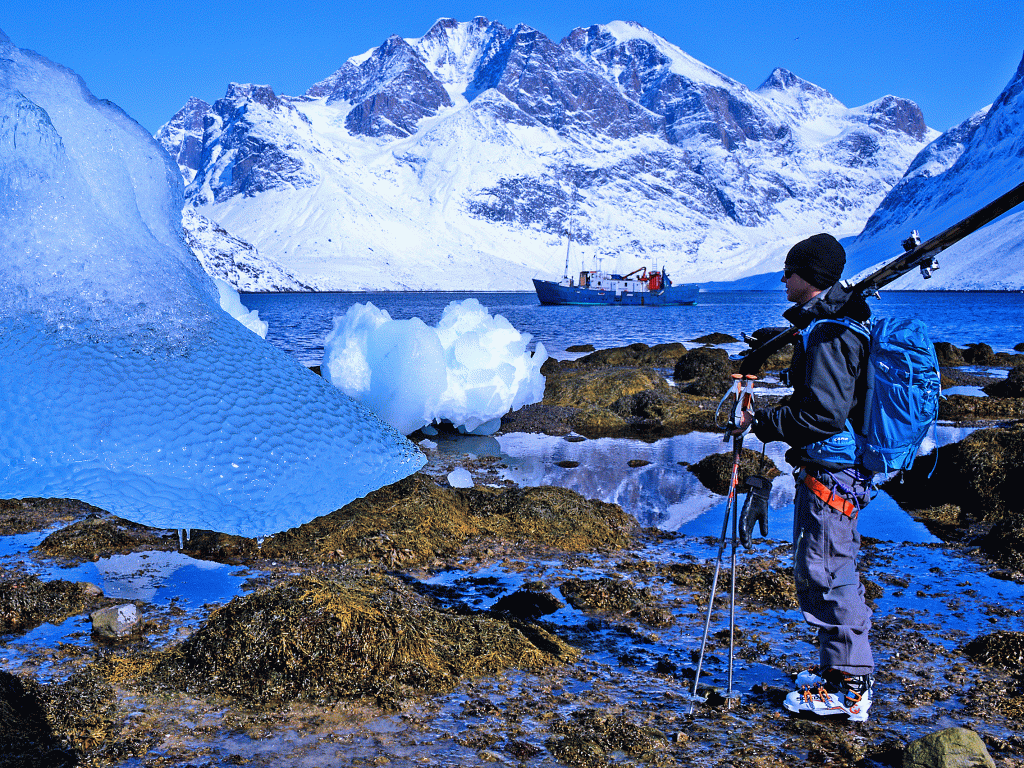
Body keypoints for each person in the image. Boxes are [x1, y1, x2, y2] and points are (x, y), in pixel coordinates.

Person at [745, 233, 876, 722]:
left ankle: (851, 687)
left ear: (811, 276)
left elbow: (822, 414)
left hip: (832, 472)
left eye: (790, 271)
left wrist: (764, 423)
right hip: (832, 469)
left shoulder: (829, 333)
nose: (783, 278)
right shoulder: (830, 324)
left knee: (828, 571)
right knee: (824, 564)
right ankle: (836, 672)